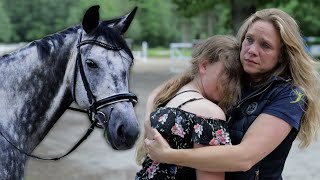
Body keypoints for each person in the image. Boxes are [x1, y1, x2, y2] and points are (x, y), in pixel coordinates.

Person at [144, 8, 320, 180]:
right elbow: (166, 89)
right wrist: (148, 124)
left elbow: (244, 158)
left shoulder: (290, 96)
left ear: (282, 56)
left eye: (265, 45)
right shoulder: (234, 72)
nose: (252, 50)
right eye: (249, 40)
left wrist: (170, 155)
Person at [135, 35, 243, 179]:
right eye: (229, 74)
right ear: (204, 66)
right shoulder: (209, 113)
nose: (235, 86)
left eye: (238, 78)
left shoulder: (172, 95)